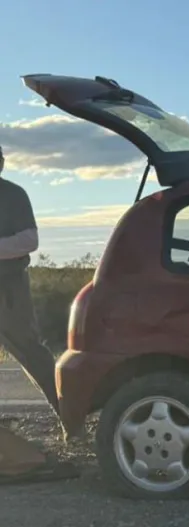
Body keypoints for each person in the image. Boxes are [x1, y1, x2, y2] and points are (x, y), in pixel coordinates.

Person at [0, 144, 75, 482]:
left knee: (32, 354)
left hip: (9, 290)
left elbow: (29, 239)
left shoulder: (14, 194)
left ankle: (71, 421)